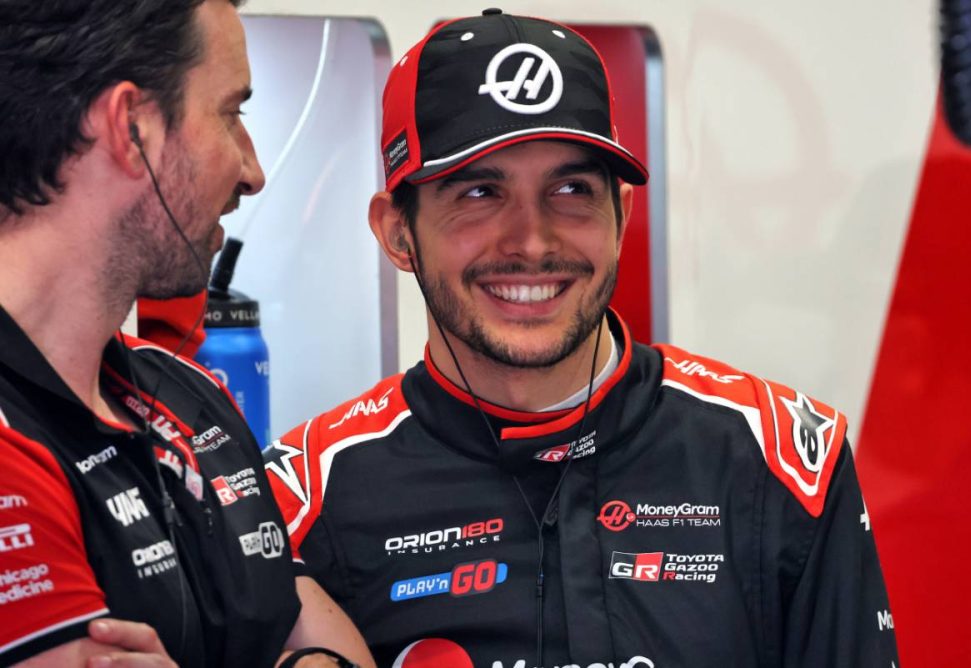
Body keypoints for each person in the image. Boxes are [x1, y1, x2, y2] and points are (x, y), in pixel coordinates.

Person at [264, 9, 900, 668]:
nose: (532, 242)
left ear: (620, 216)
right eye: (480, 192)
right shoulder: (299, 501)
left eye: (571, 189)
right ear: (398, 233)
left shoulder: (784, 461)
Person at [0, 1, 374, 666]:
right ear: (131, 127)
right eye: (231, 114)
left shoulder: (187, 394)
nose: (252, 170)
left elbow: (325, 640)